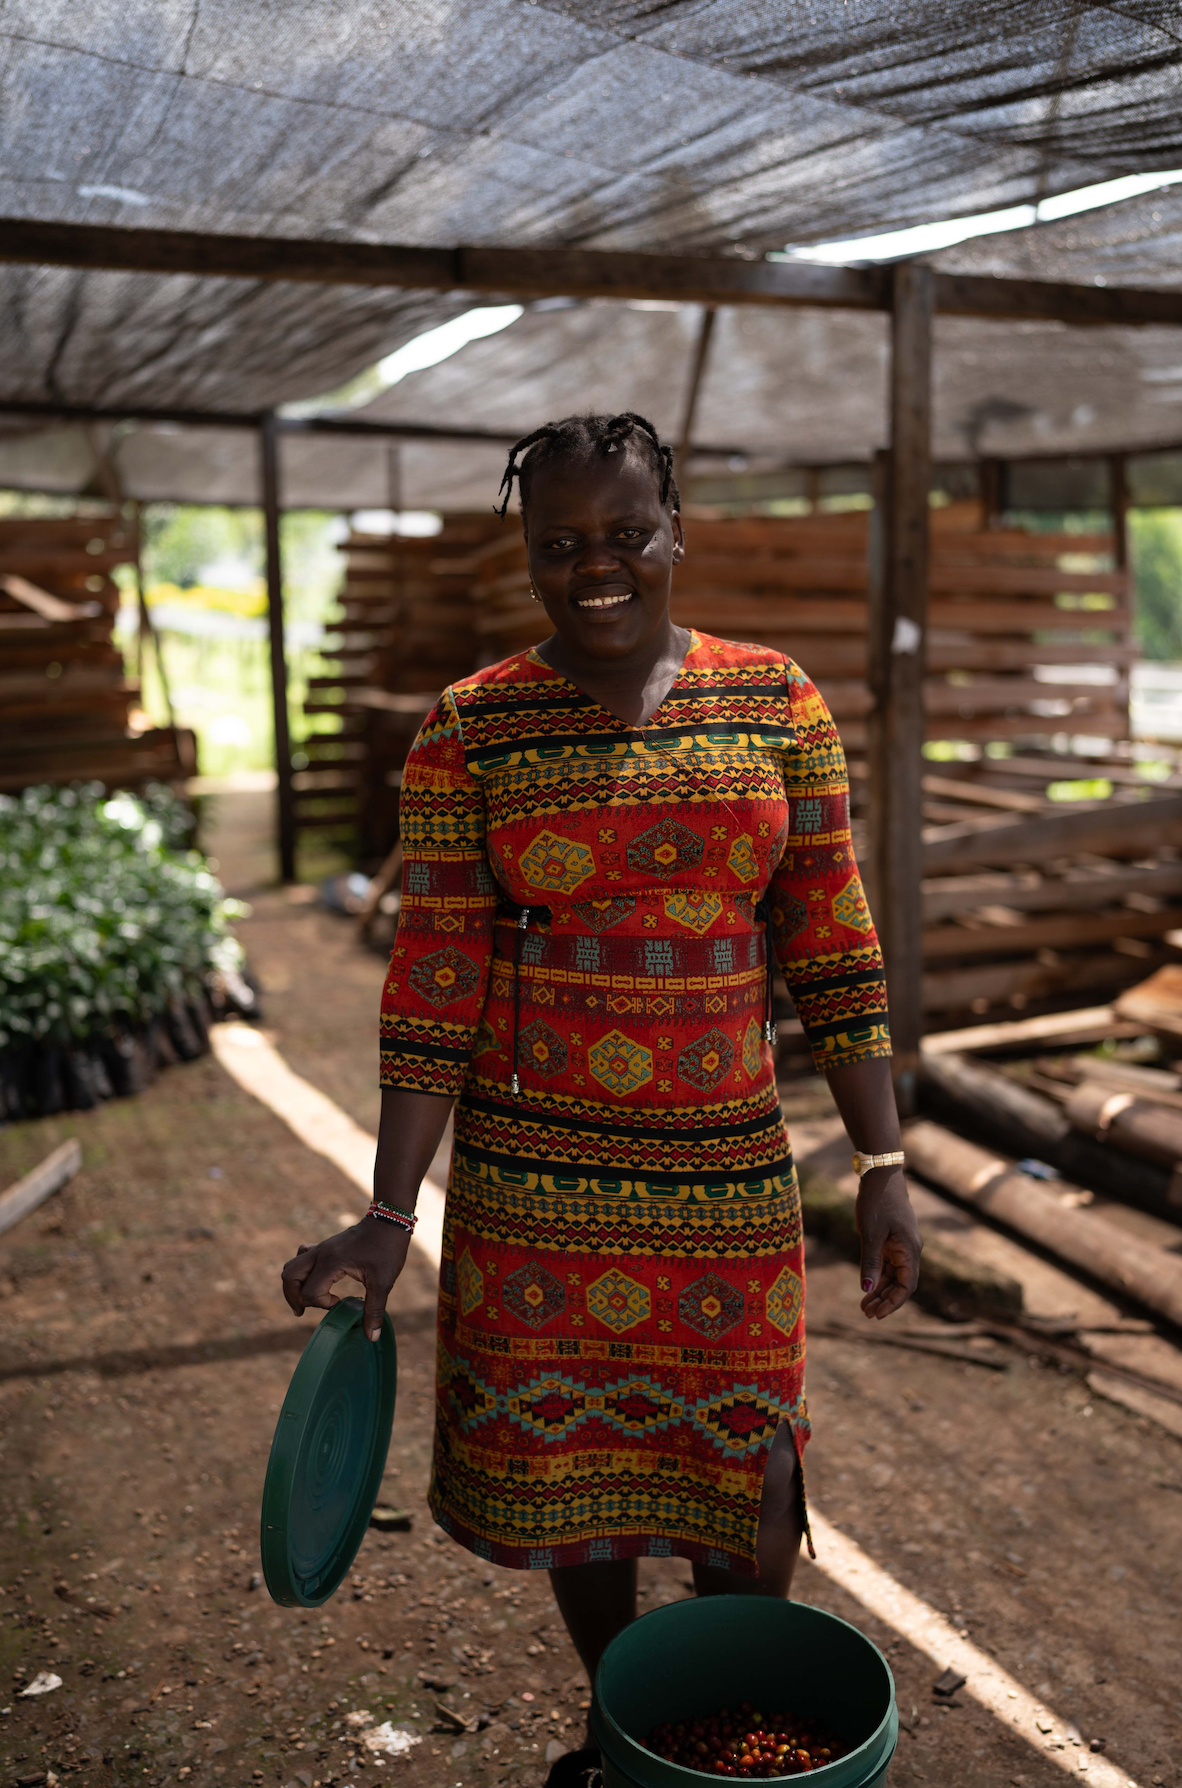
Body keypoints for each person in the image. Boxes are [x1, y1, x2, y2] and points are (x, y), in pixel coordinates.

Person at [283, 412, 922, 1787]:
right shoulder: (471, 730)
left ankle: (736, 1726)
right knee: (576, 1487)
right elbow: (434, 980)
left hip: (728, 1181)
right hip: (536, 1188)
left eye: (625, 533)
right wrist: (389, 1214)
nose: (596, 567)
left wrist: (881, 1166)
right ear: (527, 555)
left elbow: (831, 938)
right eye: (559, 543)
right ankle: (630, 1726)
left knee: (741, 1466)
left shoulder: (776, 704)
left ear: (674, 531)